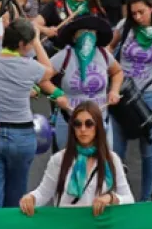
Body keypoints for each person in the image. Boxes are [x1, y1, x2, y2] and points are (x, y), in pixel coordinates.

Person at [0, 18, 66, 208]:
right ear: (22, 44)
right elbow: (49, 71)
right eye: (30, 44)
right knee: (15, 200)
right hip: (22, 136)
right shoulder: (30, 67)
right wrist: (37, 40)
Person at [20, 101, 134, 215]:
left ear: (98, 127)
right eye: (77, 124)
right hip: (68, 223)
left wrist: (111, 198)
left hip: (98, 223)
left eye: (89, 124)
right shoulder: (59, 159)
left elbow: (129, 199)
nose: (83, 129)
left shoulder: (112, 159)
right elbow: (43, 193)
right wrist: (31, 198)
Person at [110, 0, 152, 201]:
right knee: (117, 150)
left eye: (141, 12)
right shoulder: (124, 27)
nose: (137, 17)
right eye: (133, 13)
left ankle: (145, 199)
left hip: (150, 95)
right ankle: (118, 196)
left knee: (149, 150)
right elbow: (110, 47)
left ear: (151, 9)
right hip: (123, 95)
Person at [50, 14, 123, 148]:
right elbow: (41, 77)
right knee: (68, 160)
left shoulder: (103, 54)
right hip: (70, 122)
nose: (88, 36)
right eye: (83, 32)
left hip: (99, 122)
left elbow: (117, 72)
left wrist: (114, 91)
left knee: (102, 160)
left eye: (91, 32)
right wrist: (57, 93)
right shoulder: (64, 56)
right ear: (74, 36)